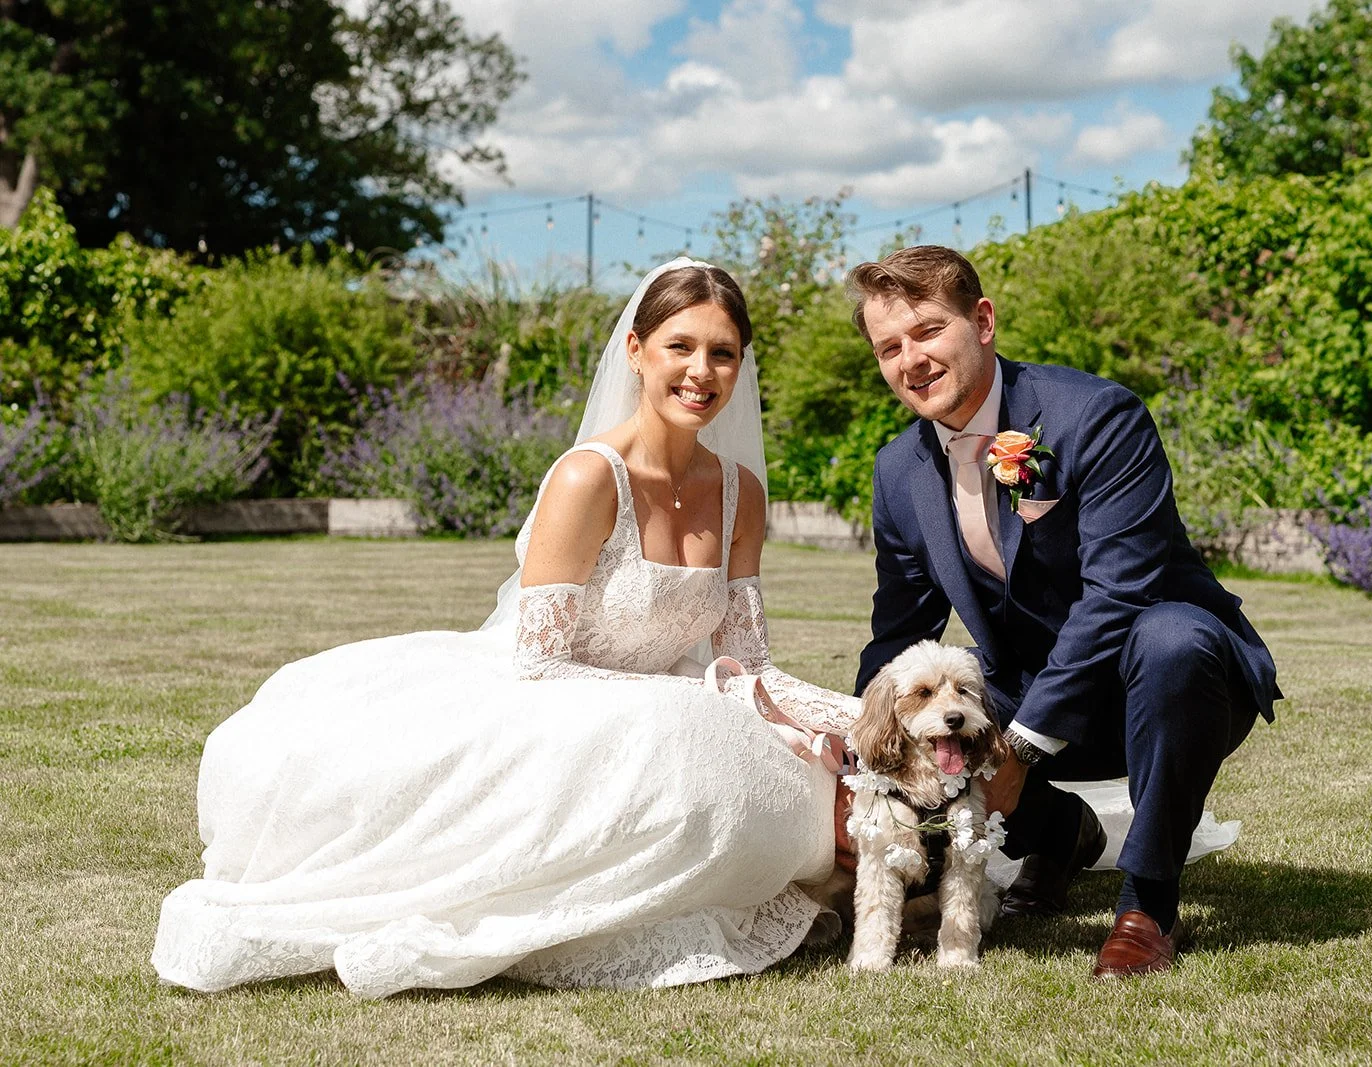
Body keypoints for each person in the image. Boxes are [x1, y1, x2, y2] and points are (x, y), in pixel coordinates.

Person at [151, 259, 861, 998]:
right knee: (691, 736)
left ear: (741, 365)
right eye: (680, 346)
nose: (701, 370)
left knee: (798, 757)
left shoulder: (740, 495)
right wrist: (687, 704)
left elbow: (746, 666)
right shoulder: (588, 477)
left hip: (662, 706)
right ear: (635, 349)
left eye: (722, 352)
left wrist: (858, 720)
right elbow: (541, 664)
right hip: (545, 701)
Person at [850, 245, 1280, 979]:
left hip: (1168, 680)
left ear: (982, 320)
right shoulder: (899, 470)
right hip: (1029, 687)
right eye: (890, 347)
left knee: (1171, 638)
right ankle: (1060, 833)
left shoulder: (1097, 416)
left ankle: (1147, 902)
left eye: (926, 331)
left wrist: (1018, 747)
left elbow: (1120, 591)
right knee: (947, 698)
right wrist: (857, 747)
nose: (910, 359)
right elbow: (897, 632)